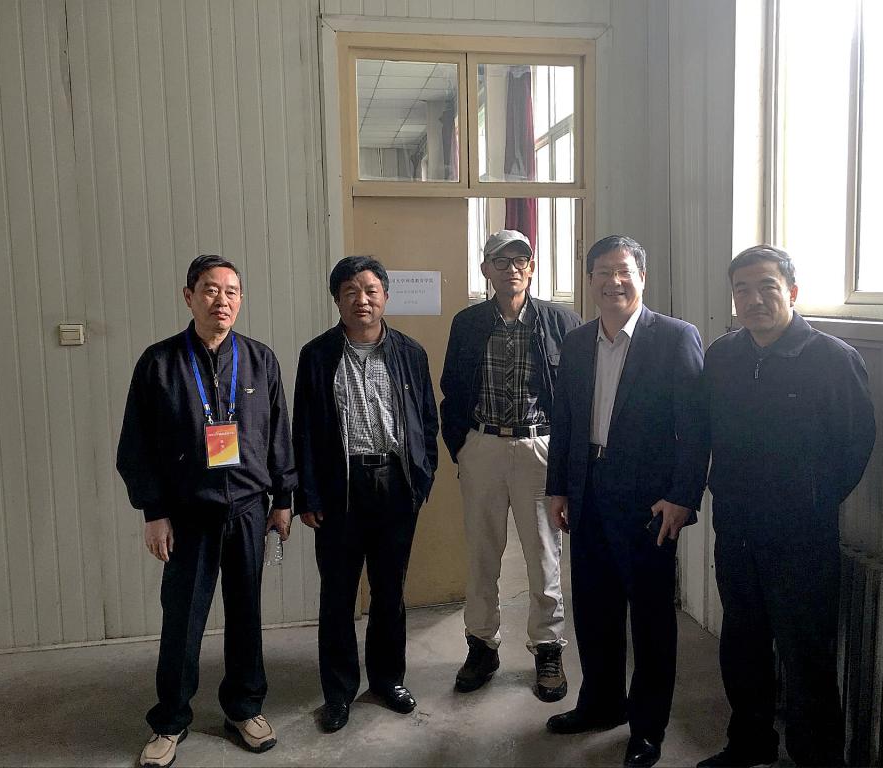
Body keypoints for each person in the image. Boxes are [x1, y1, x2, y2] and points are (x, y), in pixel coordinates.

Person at [698, 245, 876, 768]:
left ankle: (817, 757)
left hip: (802, 537)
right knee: (742, 643)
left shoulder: (833, 360)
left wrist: (811, 500)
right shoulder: (722, 357)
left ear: (792, 292)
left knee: (806, 654)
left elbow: (855, 445)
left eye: (767, 287)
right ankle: (750, 743)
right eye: (742, 289)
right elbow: (705, 431)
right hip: (736, 530)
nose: (754, 299)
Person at [117, 255, 296, 768]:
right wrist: (154, 512)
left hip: (248, 509)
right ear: (189, 296)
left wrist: (283, 499)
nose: (222, 301)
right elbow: (136, 445)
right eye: (211, 290)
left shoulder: (259, 360)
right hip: (187, 514)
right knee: (183, 620)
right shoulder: (159, 363)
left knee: (246, 615)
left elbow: (278, 435)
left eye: (232, 292)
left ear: (241, 300)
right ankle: (170, 720)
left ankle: (244, 708)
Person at [545, 235, 710, 768]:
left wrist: (682, 496)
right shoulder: (577, 341)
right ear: (589, 280)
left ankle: (647, 728)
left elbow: (695, 428)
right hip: (588, 490)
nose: (613, 281)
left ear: (642, 277)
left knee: (651, 618)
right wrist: (558, 486)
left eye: (623, 271)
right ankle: (600, 705)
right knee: (594, 609)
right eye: (602, 271)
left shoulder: (675, 338)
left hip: (649, 504)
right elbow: (565, 420)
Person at [292, 255, 439, 734]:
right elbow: (303, 430)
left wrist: (422, 477)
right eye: (351, 291)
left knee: (390, 591)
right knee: (337, 595)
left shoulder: (410, 353)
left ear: (385, 297)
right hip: (340, 489)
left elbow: (427, 420)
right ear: (337, 300)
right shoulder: (317, 355)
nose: (362, 300)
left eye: (371, 290)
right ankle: (338, 693)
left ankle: (387, 680)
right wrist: (307, 495)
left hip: (395, 485)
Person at [440, 229, 582, 701]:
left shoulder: (561, 321)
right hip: (482, 446)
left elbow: (574, 396)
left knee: (544, 555)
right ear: (486, 270)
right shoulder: (468, 323)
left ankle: (547, 647)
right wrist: (463, 446)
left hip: (538, 448)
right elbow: (451, 388)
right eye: (501, 261)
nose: (512, 269)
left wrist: (562, 455)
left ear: (532, 268)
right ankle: (481, 645)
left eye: (521, 260)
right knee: (483, 553)